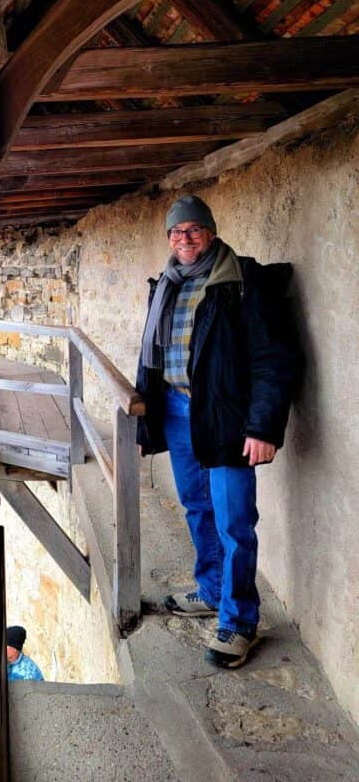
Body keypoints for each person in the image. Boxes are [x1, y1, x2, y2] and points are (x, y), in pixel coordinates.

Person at [137, 195, 299, 669]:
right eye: (176, 232)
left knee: (234, 520)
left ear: (210, 232)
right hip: (174, 407)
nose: (184, 239)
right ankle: (210, 588)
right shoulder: (165, 283)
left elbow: (274, 359)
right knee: (196, 506)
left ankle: (240, 620)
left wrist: (263, 425)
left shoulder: (242, 281)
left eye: (193, 230)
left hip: (225, 414)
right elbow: (152, 353)